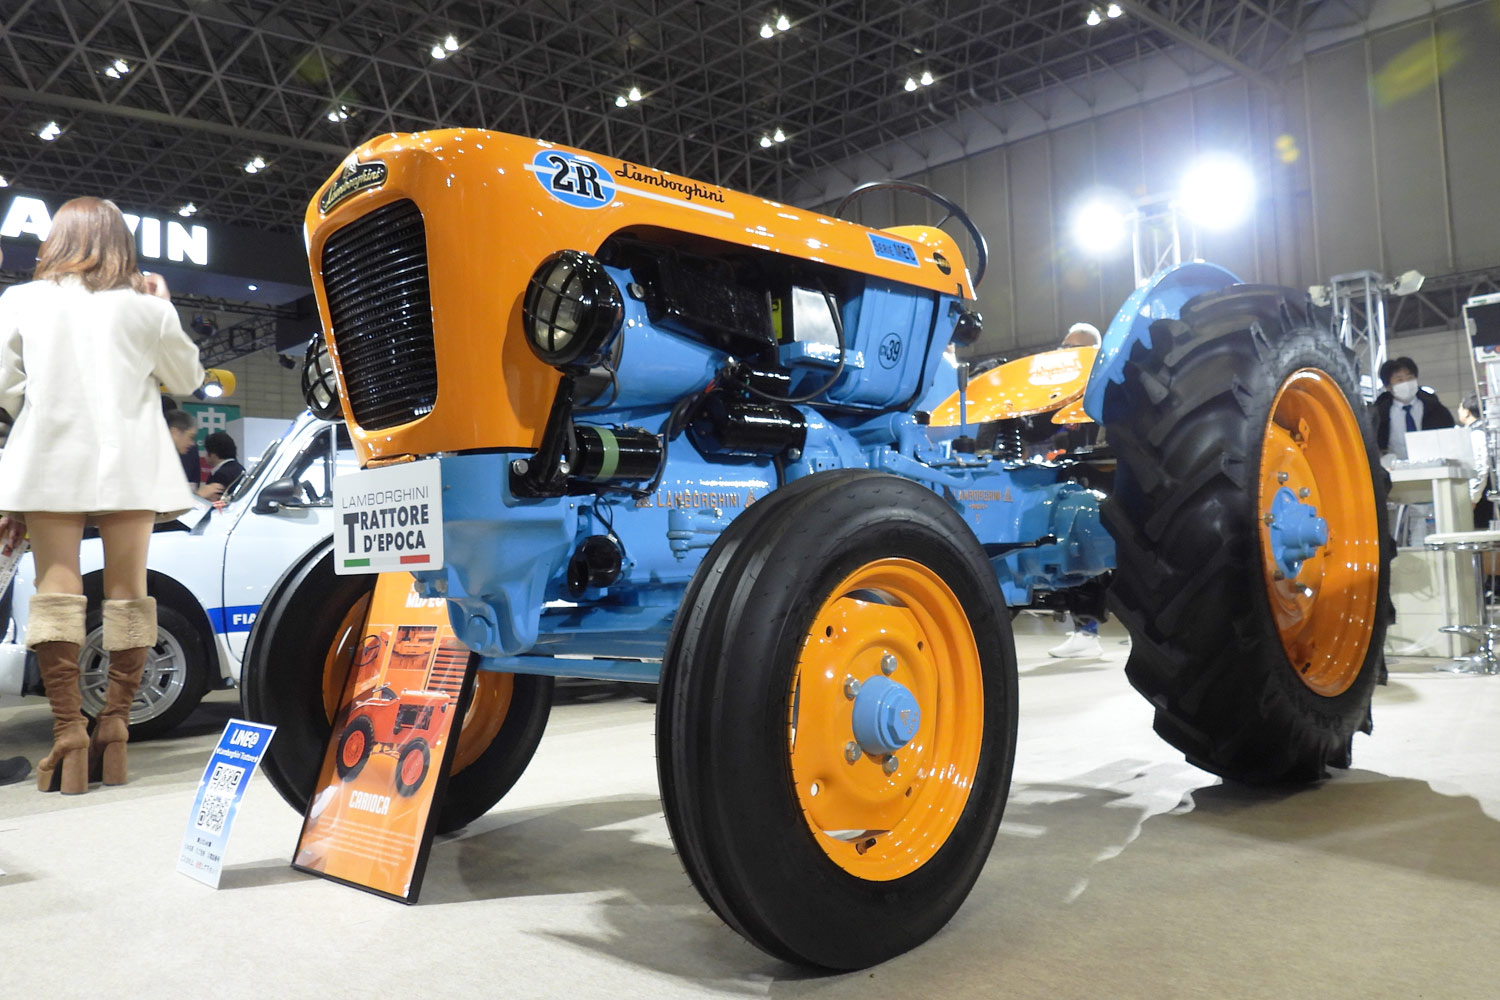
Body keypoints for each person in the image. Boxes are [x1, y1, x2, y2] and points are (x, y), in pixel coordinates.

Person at [0, 196, 206, 794]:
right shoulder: (146, 309)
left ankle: (68, 732)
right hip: (131, 462)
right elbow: (189, 380)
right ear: (121, 242)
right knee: (128, 591)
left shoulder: (20, 301)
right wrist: (164, 309)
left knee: (56, 588)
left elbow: (5, 386)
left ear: (58, 238)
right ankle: (114, 726)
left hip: (48, 456)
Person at [1373, 356, 1454, 459]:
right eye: (1400, 380)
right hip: (1394, 470)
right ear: (1388, 386)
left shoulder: (1435, 409)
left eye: (1410, 378)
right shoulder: (1379, 414)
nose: (1406, 383)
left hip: (1433, 467)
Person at [166, 409, 223, 501]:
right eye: (191, 437)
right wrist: (199, 495)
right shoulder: (156, 461)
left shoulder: (170, 459)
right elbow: (164, 505)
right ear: (174, 432)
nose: (192, 443)